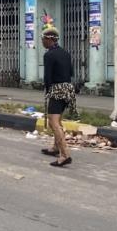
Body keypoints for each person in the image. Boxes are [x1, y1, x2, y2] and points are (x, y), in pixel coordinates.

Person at [41, 27, 75, 167]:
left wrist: (48, 91)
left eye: (43, 39)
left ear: (49, 39)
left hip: (56, 89)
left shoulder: (48, 55)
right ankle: (55, 147)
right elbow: (71, 72)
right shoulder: (66, 53)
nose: (42, 42)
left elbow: (47, 77)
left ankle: (65, 154)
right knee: (58, 120)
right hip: (68, 89)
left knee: (53, 122)